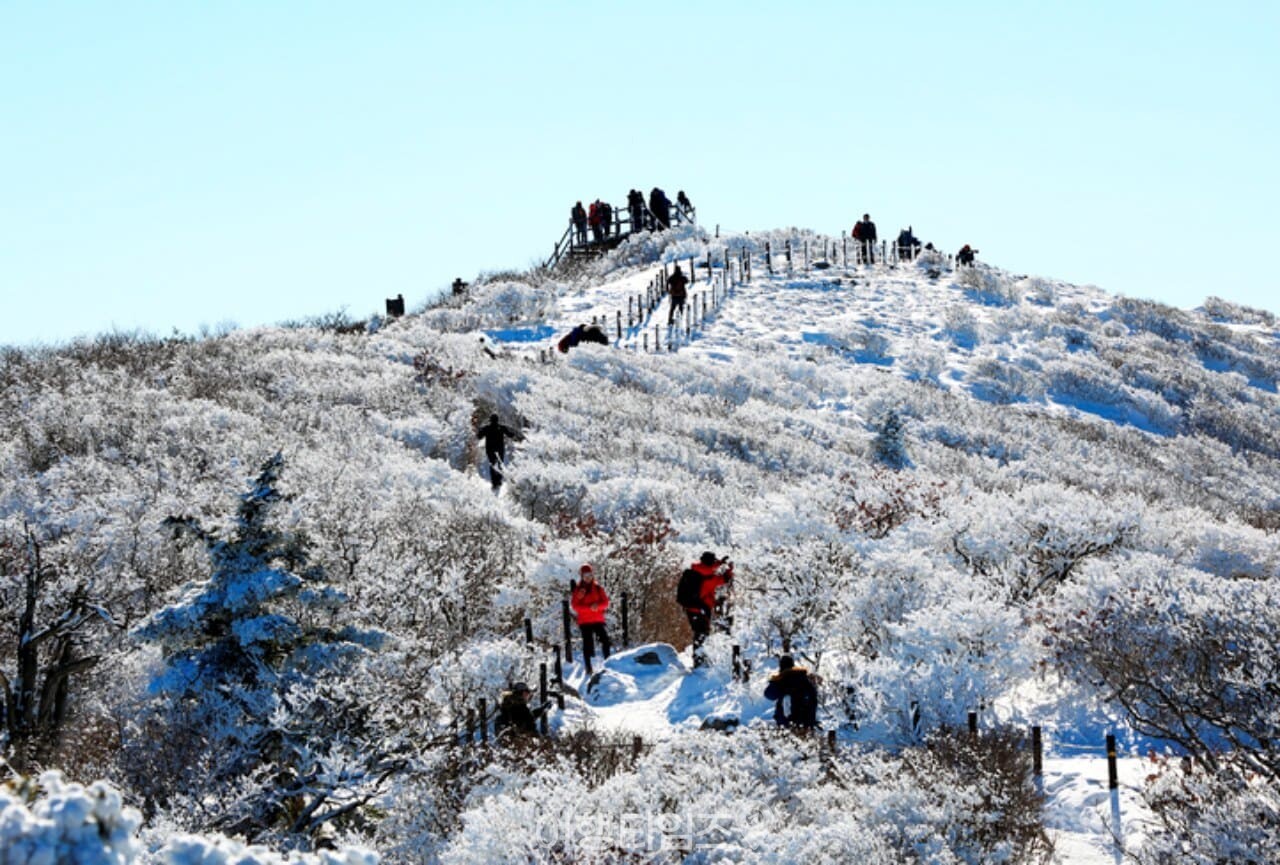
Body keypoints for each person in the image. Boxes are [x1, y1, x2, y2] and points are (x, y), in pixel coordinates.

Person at [677, 551, 733, 667]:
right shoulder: (709, 578)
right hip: (700, 609)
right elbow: (725, 579)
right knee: (702, 634)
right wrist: (729, 569)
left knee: (699, 633)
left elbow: (709, 567)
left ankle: (699, 660)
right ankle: (699, 662)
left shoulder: (695, 570)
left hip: (690, 608)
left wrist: (720, 563)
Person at [570, 563, 612, 661]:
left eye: (590, 575)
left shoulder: (598, 588)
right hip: (585, 621)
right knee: (587, 644)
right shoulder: (578, 590)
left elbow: (606, 603)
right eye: (585, 576)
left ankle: (609, 663)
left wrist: (598, 606)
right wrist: (589, 608)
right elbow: (575, 606)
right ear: (582, 576)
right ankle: (588, 667)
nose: (588, 578)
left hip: (598, 620)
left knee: (605, 641)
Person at [763, 655, 819, 729]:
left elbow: (769, 694)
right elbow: (813, 697)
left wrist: (774, 682)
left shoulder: (781, 680)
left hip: (785, 723)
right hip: (805, 722)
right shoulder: (803, 678)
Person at [476, 413, 522, 491]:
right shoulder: (501, 427)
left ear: (490, 420)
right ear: (497, 420)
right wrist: (517, 437)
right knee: (500, 464)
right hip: (500, 449)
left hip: (490, 449)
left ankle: (494, 483)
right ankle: (499, 481)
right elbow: (510, 435)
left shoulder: (487, 428)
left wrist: (479, 430)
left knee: (492, 464)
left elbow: (479, 436)